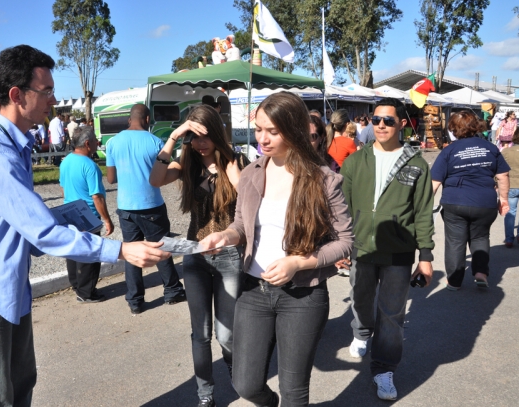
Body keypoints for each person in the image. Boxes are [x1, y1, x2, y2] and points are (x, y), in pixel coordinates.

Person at [0, 44, 171, 407]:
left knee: (22, 384)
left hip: (9, 287)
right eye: (47, 91)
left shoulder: (15, 148)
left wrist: (58, 220)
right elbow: (43, 234)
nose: (53, 99)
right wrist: (119, 249)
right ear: (17, 95)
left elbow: (26, 226)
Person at [200, 92, 353, 407]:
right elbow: (241, 225)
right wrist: (225, 236)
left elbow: (346, 241)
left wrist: (297, 263)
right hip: (253, 291)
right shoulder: (252, 173)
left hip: (303, 296)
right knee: (245, 383)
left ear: (294, 128)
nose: (263, 138)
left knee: (294, 390)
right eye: (258, 130)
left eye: (273, 131)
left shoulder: (323, 179)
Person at [150, 105, 247, 407]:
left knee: (227, 334)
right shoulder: (187, 164)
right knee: (201, 333)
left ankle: (235, 370)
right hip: (195, 255)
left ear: (217, 133)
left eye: (204, 136)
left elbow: (250, 200)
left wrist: (232, 167)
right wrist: (174, 135)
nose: (200, 143)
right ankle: (205, 393)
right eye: (193, 136)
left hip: (230, 254)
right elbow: (155, 179)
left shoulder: (237, 160)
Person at [340, 97, 435, 401]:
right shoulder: (355, 161)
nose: (381, 125)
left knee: (392, 315)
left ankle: (384, 369)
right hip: (362, 250)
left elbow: (422, 212)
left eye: (388, 120)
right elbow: (343, 207)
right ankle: (362, 333)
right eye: (376, 119)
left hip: (399, 253)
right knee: (361, 301)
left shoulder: (417, 164)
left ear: (402, 124)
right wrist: (340, 244)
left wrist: (426, 256)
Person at [106, 104, 186, 314]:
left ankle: (135, 301)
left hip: (125, 207)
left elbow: (111, 178)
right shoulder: (155, 142)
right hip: (151, 204)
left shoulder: (113, 142)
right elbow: (162, 174)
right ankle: (172, 291)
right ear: (148, 120)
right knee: (161, 248)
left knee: (132, 253)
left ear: (128, 120)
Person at [430, 110, 510, 289]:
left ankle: (454, 280)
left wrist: (424, 205)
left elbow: (435, 182)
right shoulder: (490, 147)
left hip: (455, 201)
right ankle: (481, 273)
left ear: (453, 129)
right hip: (485, 201)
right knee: (481, 237)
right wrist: (503, 199)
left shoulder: (449, 150)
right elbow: (503, 175)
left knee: (455, 241)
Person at [60, 126, 115, 302]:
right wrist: (107, 219)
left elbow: (63, 187)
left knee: (74, 252)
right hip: (88, 215)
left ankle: (77, 285)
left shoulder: (66, 161)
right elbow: (97, 196)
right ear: (87, 143)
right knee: (90, 255)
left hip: (69, 212)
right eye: (94, 140)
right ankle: (87, 292)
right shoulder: (90, 166)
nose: (97, 142)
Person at [502, 129, 519, 247]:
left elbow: (500, 169)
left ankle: (509, 239)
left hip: (512, 184)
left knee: (510, 212)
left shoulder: (506, 152)